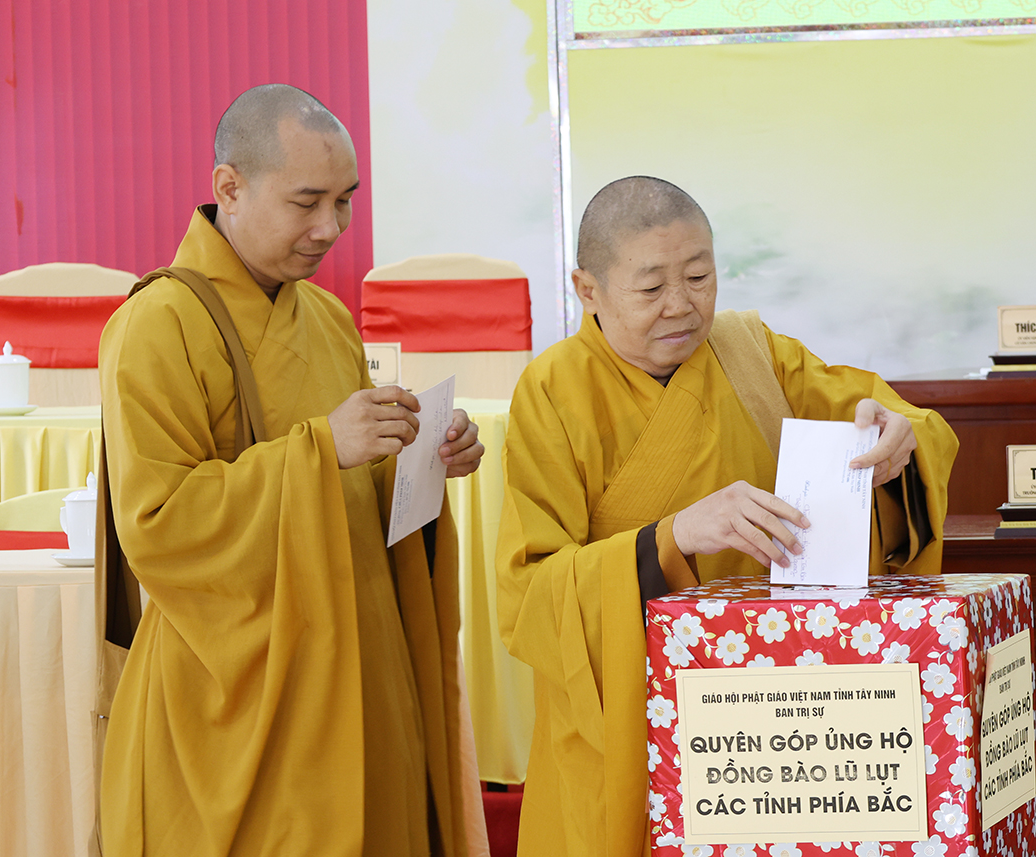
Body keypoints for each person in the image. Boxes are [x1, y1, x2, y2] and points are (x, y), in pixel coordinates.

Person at [496, 176, 958, 855]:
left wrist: (896, 444)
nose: (681, 305)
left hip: (785, 717)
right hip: (632, 721)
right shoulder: (552, 392)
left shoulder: (752, 352)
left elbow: (897, 423)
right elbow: (531, 592)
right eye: (650, 288)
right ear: (587, 289)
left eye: (699, 276)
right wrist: (674, 536)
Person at [98, 84, 483, 857]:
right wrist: (320, 448)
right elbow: (159, 524)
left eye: (344, 201)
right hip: (243, 680)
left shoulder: (328, 318)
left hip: (354, 655)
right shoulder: (155, 325)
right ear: (229, 187)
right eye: (306, 202)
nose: (329, 228)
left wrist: (419, 459)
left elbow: (352, 490)